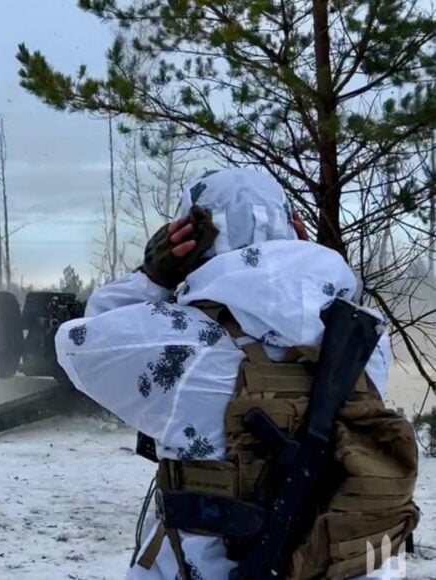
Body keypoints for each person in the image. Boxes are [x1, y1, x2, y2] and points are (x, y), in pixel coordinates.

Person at [55, 168, 416, 579]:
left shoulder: (180, 342)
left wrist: (153, 277)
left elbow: (78, 347)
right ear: (293, 231)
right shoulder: (364, 341)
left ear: (189, 239)